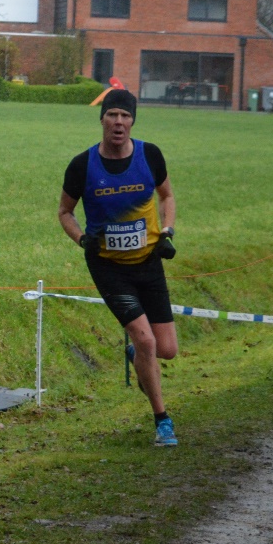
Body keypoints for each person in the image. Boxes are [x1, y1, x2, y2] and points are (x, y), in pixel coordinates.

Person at [58, 87, 178, 446]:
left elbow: (167, 195)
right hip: (108, 267)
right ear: (102, 119)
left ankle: (140, 356)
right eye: (112, 115)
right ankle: (162, 421)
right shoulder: (82, 165)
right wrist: (81, 239)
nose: (119, 122)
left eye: (125, 116)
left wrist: (167, 231)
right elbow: (64, 212)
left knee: (165, 348)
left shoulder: (150, 155)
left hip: (149, 262)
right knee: (144, 339)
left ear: (132, 121)